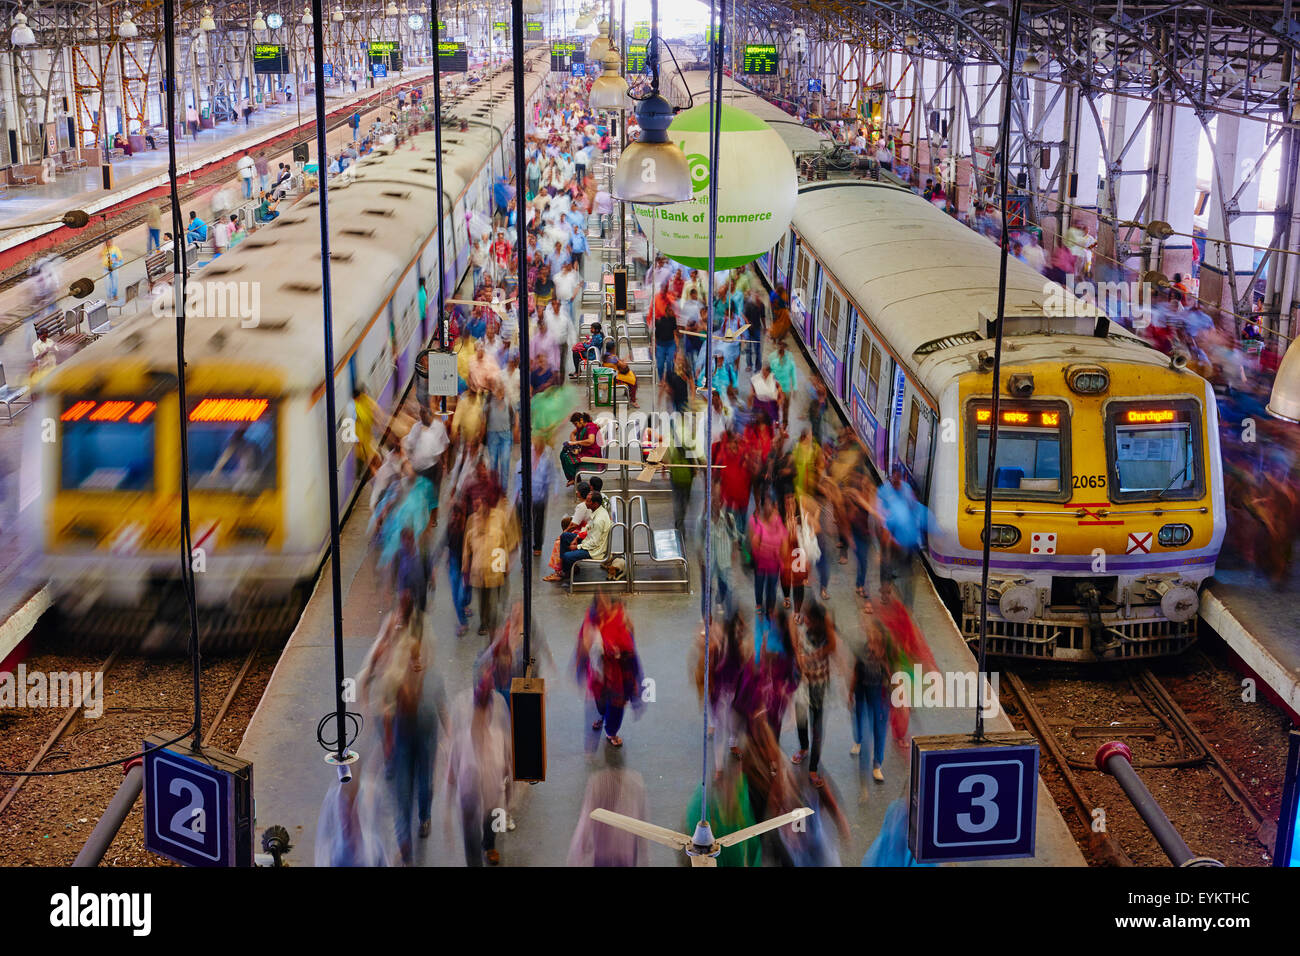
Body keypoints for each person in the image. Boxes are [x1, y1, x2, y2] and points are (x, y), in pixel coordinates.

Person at [445, 675, 512, 866]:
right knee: (471, 842)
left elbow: (508, 764)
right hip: (469, 799)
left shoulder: (498, 732)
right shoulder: (461, 736)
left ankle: (490, 845)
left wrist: (509, 794)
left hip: (493, 792)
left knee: (493, 819)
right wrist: (447, 816)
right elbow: (450, 774)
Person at [574, 591, 643, 748]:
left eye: (606, 602)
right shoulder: (591, 621)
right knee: (601, 702)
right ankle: (603, 717)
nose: (604, 606)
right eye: (601, 603)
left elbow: (629, 644)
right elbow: (583, 645)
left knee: (617, 706)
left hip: (618, 673)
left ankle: (611, 732)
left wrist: (616, 650)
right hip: (599, 673)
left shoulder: (619, 618)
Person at [793, 600, 839, 789]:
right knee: (801, 719)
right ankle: (804, 747)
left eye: (810, 618)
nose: (806, 621)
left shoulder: (826, 636)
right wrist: (800, 661)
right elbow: (797, 650)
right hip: (802, 683)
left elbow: (832, 647)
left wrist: (809, 658)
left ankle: (813, 767)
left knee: (817, 727)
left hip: (818, 684)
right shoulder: (803, 631)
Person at [561, 489, 612, 578]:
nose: (585, 503)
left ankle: (567, 571)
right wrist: (577, 537)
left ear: (595, 504)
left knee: (566, 556)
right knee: (565, 536)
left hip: (594, 550)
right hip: (589, 540)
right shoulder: (598, 511)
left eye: (588, 501)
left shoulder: (599, 520)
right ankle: (569, 568)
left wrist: (577, 547)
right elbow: (588, 526)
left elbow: (594, 543)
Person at [559, 411, 601, 484]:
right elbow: (572, 433)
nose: (575, 426)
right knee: (563, 454)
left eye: (576, 424)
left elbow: (591, 441)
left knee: (568, 458)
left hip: (592, 455)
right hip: (585, 452)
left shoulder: (591, 427)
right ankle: (573, 478)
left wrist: (576, 442)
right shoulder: (581, 427)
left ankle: (575, 479)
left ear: (581, 420)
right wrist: (575, 446)